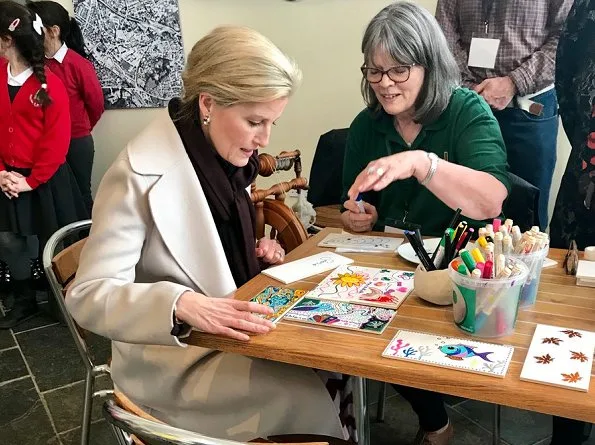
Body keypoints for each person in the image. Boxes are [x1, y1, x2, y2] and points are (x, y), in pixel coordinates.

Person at [66, 26, 346, 441]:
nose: (265, 138)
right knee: (305, 393)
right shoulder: (137, 172)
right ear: (209, 103)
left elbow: (199, 246)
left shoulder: (224, 158)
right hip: (172, 361)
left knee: (333, 360)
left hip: (227, 337)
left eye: (272, 121)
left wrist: (252, 254)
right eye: (255, 121)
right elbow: (87, 295)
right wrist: (178, 303)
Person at [342, 3, 510, 444]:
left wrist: (423, 163)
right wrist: (359, 216)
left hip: (463, 264)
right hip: (398, 263)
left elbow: (491, 199)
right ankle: (433, 418)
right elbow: (354, 204)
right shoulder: (367, 125)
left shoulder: (466, 111)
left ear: (429, 65)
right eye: (374, 72)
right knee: (356, 325)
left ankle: (434, 417)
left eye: (398, 70)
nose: (384, 84)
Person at [435, 0, 574, 231]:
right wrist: (471, 91)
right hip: (465, 105)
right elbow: (443, 35)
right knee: (465, 214)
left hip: (528, 110)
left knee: (526, 221)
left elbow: (565, 38)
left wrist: (513, 83)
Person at [0, 1, 87, 329]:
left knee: (54, 242)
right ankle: (23, 300)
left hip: (45, 178)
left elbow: (57, 140)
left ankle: (60, 301)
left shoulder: (49, 83)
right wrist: (1, 174)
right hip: (7, 175)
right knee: (10, 240)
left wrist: (31, 181)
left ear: (8, 40)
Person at [27, 0, 104, 215]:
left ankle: (83, 244)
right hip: (44, 143)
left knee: (80, 195)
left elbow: (96, 105)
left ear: (53, 31)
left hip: (75, 142)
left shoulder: (78, 65)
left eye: (36, 28)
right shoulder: (33, 65)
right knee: (53, 197)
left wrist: (77, 129)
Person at [549, 0, 595, 251]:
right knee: (567, 275)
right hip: (586, 170)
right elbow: (565, 75)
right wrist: (584, 140)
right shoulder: (587, 6)